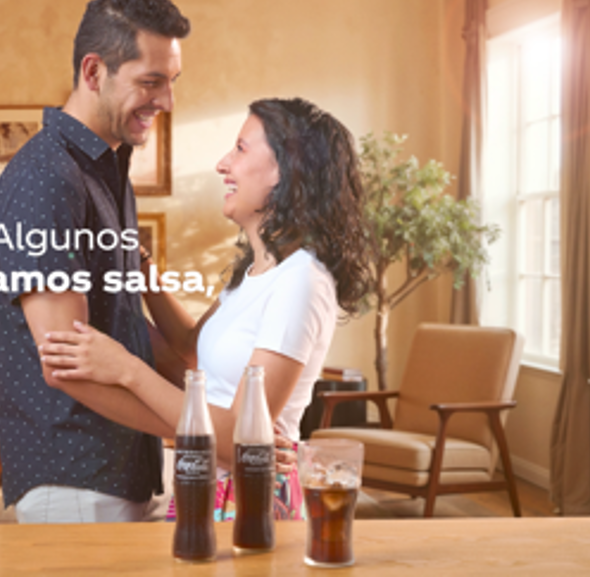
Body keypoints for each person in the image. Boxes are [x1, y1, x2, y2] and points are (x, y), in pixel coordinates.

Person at [41, 98, 372, 520]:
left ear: (286, 169)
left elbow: (241, 438)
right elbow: (190, 348)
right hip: (207, 479)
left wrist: (126, 369)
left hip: (246, 492)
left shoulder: (301, 280)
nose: (222, 164)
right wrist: (138, 268)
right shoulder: (258, 271)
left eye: (240, 149)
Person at [0, 0, 191, 524]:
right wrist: (201, 430)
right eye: (150, 82)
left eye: (171, 82)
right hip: (76, 479)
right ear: (94, 72)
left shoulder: (106, 169)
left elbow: (120, 327)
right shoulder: (47, 178)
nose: (166, 102)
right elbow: (68, 365)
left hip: (123, 471)